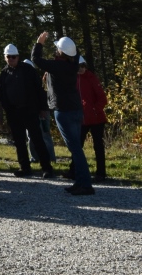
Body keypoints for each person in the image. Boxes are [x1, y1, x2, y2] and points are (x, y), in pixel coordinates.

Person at [32, 32, 94, 196]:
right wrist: (71, 45)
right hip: (76, 110)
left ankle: (86, 184)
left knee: (75, 149)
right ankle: (80, 182)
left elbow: (36, 59)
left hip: (63, 112)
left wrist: (39, 43)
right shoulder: (73, 66)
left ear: (60, 51)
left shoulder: (56, 66)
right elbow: (75, 54)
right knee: (76, 148)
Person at [0, 43, 55, 179]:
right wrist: (7, 111)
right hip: (14, 113)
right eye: (9, 57)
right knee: (19, 141)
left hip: (29, 111)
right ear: (5, 58)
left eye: (14, 57)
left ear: (18, 57)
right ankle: (25, 167)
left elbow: (39, 90)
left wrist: (42, 108)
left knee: (37, 139)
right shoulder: (4, 73)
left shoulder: (28, 70)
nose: (11, 59)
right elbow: (1, 94)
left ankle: (47, 168)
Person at [78, 55, 108, 182]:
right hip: (82, 118)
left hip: (96, 119)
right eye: (79, 67)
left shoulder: (91, 78)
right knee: (77, 144)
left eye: (83, 66)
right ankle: (74, 170)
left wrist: (94, 109)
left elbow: (103, 98)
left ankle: (101, 173)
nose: (81, 69)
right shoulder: (74, 78)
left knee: (98, 146)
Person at [23, 59, 57, 165]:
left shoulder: (39, 80)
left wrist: (43, 110)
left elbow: (44, 96)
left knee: (45, 135)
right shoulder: (22, 82)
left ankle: (51, 158)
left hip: (42, 112)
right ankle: (34, 157)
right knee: (31, 136)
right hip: (30, 113)